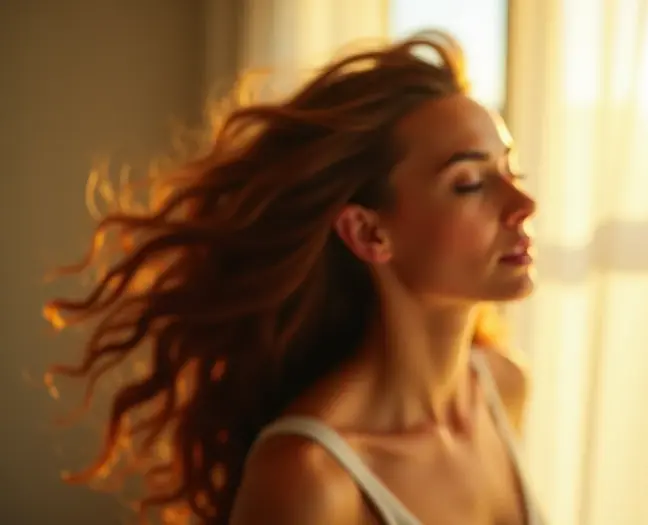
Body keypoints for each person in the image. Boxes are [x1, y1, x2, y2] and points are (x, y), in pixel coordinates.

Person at [44, 31, 542, 525]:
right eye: (470, 183)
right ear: (369, 232)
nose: (524, 205)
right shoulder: (310, 478)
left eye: (511, 169)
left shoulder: (503, 387)